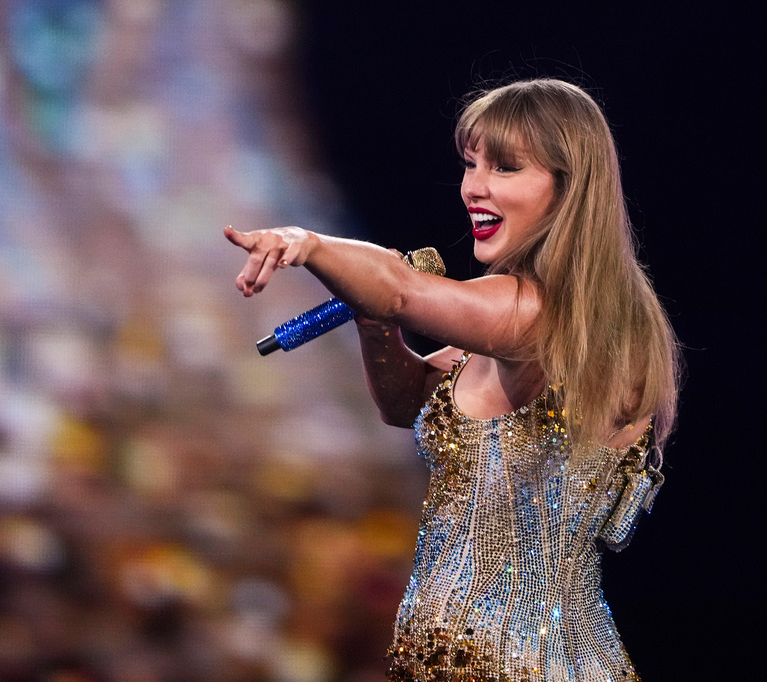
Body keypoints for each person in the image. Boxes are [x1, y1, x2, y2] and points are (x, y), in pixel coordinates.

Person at [224, 79, 679, 681]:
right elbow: (409, 403)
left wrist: (307, 244)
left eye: (506, 167)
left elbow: (403, 289)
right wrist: (375, 321)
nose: (474, 187)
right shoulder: (495, 324)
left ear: (570, 190)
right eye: (471, 163)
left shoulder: (561, 319)